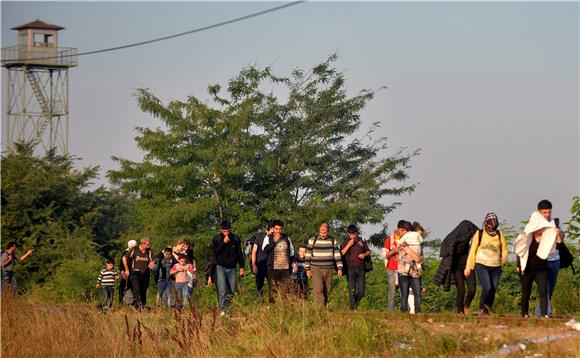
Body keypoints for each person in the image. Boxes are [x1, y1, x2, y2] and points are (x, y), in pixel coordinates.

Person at [514, 209, 563, 318]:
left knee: (543, 291)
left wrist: (557, 234)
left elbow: (557, 243)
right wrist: (518, 265)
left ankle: (544, 315)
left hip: (541, 269)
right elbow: (520, 251)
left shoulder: (547, 237)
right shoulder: (526, 237)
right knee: (526, 291)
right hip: (527, 268)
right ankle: (524, 314)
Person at [464, 213, 508, 315]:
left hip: (496, 266)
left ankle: (487, 311)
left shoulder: (499, 234)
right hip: (482, 265)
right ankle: (481, 308)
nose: (492, 228)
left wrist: (504, 257)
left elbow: (504, 248)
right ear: (486, 224)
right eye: (491, 226)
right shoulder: (479, 234)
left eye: (494, 226)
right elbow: (472, 251)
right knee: (487, 287)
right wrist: (468, 267)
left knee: (493, 290)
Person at [434, 220, 479, 315]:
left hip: (468, 266)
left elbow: (479, 233)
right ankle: (460, 312)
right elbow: (445, 251)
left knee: (472, 289)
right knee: (461, 290)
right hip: (456, 268)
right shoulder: (452, 240)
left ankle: (466, 306)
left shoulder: (471, 238)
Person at [534, 200, 565, 317]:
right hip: (542, 260)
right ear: (539, 212)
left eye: (549, 212)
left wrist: (558, 232)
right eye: (544, 212)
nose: (547, 215)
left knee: (550, 289)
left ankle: (540, 312)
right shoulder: (536, 223)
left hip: (555, 259)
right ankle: (545, 313)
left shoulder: (555, 222)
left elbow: (561, 239)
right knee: (544, 289)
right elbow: (536, 239)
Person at [304, 223, 343, 308]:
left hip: (329, 268)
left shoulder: (333, 241)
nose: (322, 234)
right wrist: (307, 269)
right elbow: (308, 255)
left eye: (324, 232)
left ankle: (324, 307)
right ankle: (318, 308)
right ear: (319, 231)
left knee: (327, 289)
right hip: (315, 268)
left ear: (328, 232)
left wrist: (339, 268)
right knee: (318, 288)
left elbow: (337, 255)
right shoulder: (312, 240)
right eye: (321, 232)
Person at [212, 220, 245, 316]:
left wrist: (242, 266)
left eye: (228, 231)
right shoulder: (217, 238)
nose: (226, 233)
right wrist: (223, 243)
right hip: (220, 267)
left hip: (232, 267)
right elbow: (215, 254)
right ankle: (222, 310)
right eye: (224, 231)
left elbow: (239, 254)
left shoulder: (235, 238)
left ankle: (228, 309)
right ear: (221, 230)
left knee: (232, 289)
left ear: (230, 230)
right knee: (222, 289)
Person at [263, 220, 294, 302]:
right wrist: (273, 241)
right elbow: (265, 251)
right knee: (272, 289)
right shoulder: (268, 237)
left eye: (280, 229)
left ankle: (283, 307)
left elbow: (291, 251)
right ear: (273, 229)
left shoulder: (286, 237)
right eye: (276, 229)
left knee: (285, 290)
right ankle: (272, 308)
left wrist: (293, 263)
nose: (278, 231)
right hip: (273, 268)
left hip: (285, 268)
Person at [341, 224, 371, 311]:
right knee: (352, 290)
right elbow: (342, 253)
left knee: (361, 292)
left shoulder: (362, 240)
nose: (352, 236)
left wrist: (364, 255)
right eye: (350, 235)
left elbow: (368, 251)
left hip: (361, 269)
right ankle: (352, 308)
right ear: (348, 234)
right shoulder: (345, 241)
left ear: (356, 233)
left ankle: (355, 304)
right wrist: (349, 244)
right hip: (350, 269)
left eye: (353, 234)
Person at [382, 220, 410, 311]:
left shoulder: (406, 240)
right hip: (391, 268)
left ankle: (404, 309)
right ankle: (390, 311)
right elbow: (384, 255)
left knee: (404, 290)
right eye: (401, 229)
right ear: (398, 229)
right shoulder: (390, 240)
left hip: (403, 269)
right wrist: (394, 251)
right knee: (392, 289)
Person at [397, 222, 424, 313]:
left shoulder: (404, 243)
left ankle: (412, 311)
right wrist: (415, 257)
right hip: (407, 271)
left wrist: (414, 257)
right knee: (410, 294)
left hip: (409, 271)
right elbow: (419, 258)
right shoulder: (405, 244)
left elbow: (420, 258)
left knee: (409, 293)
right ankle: (408, 312)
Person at [123, 236, 155, 309]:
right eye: (147, 244)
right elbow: (124, 258)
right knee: (136, 289)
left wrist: (152, 264)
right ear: (142, 244)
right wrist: (126, 269)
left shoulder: (149, 251)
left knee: (143, 290)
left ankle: (142, 306)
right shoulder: (135, 249)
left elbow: (152, 261)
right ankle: (139, 307)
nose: (148, 246)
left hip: (145, 274)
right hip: (135, 273)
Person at [251, 223, 274, 300]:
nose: (271, 233)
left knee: (272, 285)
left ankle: (272, 302)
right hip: (260, 264)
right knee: (259, 285)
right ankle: (260, 303)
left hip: (271, 265)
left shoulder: (276, 238)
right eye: (270, 231)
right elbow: (254, 251)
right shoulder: (259, 237)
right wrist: (254, 265)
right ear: (267, 230)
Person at [118, 239, 137, 304]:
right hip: (126, 273)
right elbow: (121, 264)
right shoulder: (125, 252)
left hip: (133, 273)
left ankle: (133, 302)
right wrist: (122, 271)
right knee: (122, 287)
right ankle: (120, 302)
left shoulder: (137, 253)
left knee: (133, 288)